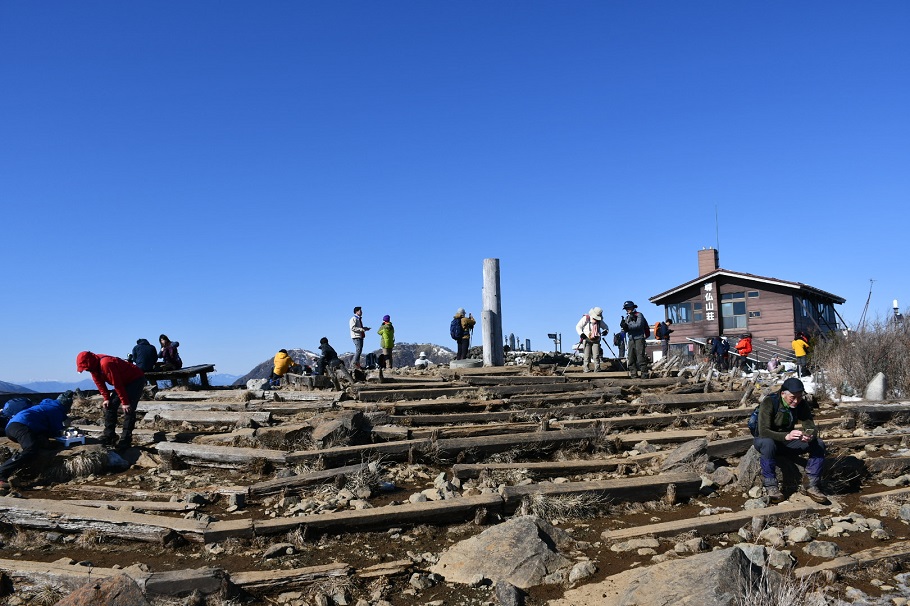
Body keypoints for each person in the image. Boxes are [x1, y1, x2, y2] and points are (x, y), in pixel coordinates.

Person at [753, 377, 828, 504]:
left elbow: (810, 427)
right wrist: (786, 436)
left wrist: (808, 435)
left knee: (818, 444)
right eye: (792, 397)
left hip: (787, 443)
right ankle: (771, 487)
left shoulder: (801, 404)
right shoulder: (770, 402)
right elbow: (763, 431)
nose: (796, 401)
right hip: (765, 440)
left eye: (799, 397)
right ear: (783, 394)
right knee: (768, 443)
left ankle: (811, 484)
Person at [0, 391, 74, 494]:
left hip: (15, 426)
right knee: (31, 448)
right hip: (20, 426)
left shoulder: (47, 405)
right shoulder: (56, 410)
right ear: (66, 406)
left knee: (41, 444)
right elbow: (55, 430)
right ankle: (2, 472)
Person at [76, 350, 146, 449]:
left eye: (86, 368)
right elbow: (99, 382)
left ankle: (125, 439)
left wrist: (125, 402)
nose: (86, 370)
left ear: (89, 363)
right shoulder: (93, 367)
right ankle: (109, 435)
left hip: (135, 379)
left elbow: (117, 383)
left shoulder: (105, 363)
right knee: (110, 406)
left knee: (128, 408)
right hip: (123, 381)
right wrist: (106, 398)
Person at [619, 301, 649, 379]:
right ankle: (633, 374)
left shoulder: (639, 315)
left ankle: (644, 374)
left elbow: (639, 325)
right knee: (631, 357)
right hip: (631, 339)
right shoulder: (627, 317)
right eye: (626, 308)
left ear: (633, 307)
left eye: (628, 308)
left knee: (640, 357)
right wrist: (623, 329)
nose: (627, 310)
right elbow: (625, 329)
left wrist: (627, 327)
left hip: (639, 338)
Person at [575, 307, 609, 372]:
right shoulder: (586, 318)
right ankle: (586, 369)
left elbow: (606, 327)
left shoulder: (599, 321)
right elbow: (578, 326)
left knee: (596, 355)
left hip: (596, 339)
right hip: (586, 339)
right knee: (586, 355)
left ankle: (597, 368)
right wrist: (581, 334)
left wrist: (605, 331)